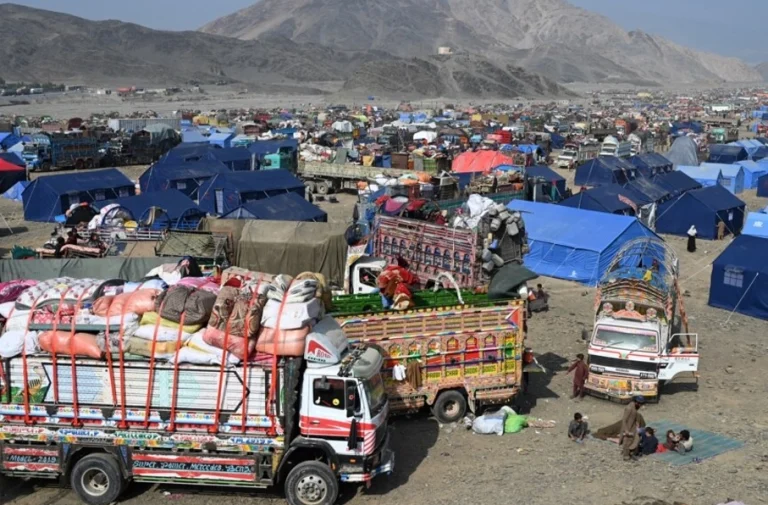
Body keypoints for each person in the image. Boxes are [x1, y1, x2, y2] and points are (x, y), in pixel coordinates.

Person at [620, 396, 645, 461]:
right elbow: (624, 420)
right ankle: (626, 456)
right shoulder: (629, 408)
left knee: (636, 440)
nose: (640, 405)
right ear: (636, 402)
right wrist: (626, 430)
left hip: (633, 427)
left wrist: (636, 422)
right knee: (627, 442)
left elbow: (634, 416)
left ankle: (631, 453)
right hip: (628, 428)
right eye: (640, 404)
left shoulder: (635, 407)